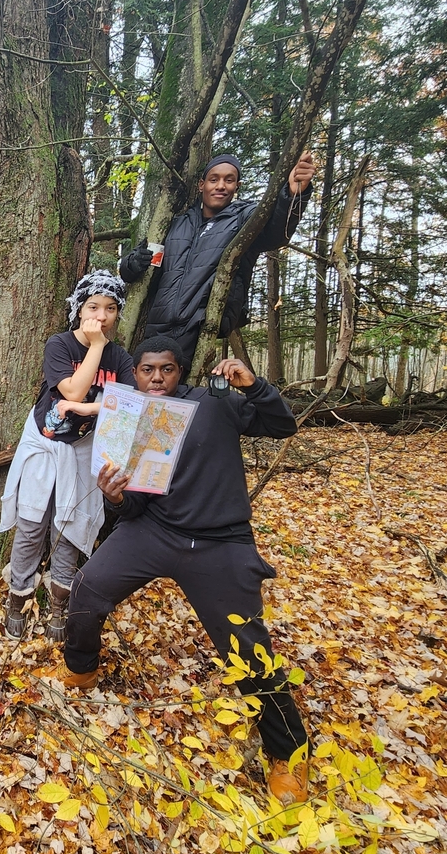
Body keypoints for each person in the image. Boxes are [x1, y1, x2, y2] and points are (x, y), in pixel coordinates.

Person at [58, 335, 310, 806]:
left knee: (247, 646)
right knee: (87, 588)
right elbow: (133, 503)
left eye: (167, 370)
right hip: (154, 531)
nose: (156, 378)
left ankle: (289, 753)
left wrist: (253, 385)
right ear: (135, 374)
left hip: (221, 540)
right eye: (148, 370)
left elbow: (282, 425)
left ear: (181, 373)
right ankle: (81, 668)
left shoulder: (213, 404)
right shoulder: (127, 418)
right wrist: (114, 496)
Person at [0, 270, 135, 641]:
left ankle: (59, 600)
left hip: (84, 449)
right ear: (79, 309)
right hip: (45, 446)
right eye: (93, 306)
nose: (101, 316)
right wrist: (93, 348)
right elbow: (72, 392)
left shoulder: (121, 358)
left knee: (69, 528)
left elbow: (126, 407)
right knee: (31, 524)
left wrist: (92, 411)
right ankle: (18, 596)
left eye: (110, 308)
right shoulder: (60, 345)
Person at [119, 153, 316, 369]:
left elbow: (277, 232)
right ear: (202, 185)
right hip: (157, 324)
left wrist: (293, 194)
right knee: (149, 388)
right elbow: (136, 270)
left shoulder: (245, 218)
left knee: (179, 392)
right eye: (214, 179)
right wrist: (133, 263)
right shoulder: (176, 223)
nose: (221, 186)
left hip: (201, 325)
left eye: (229, 180)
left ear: (237, 185)